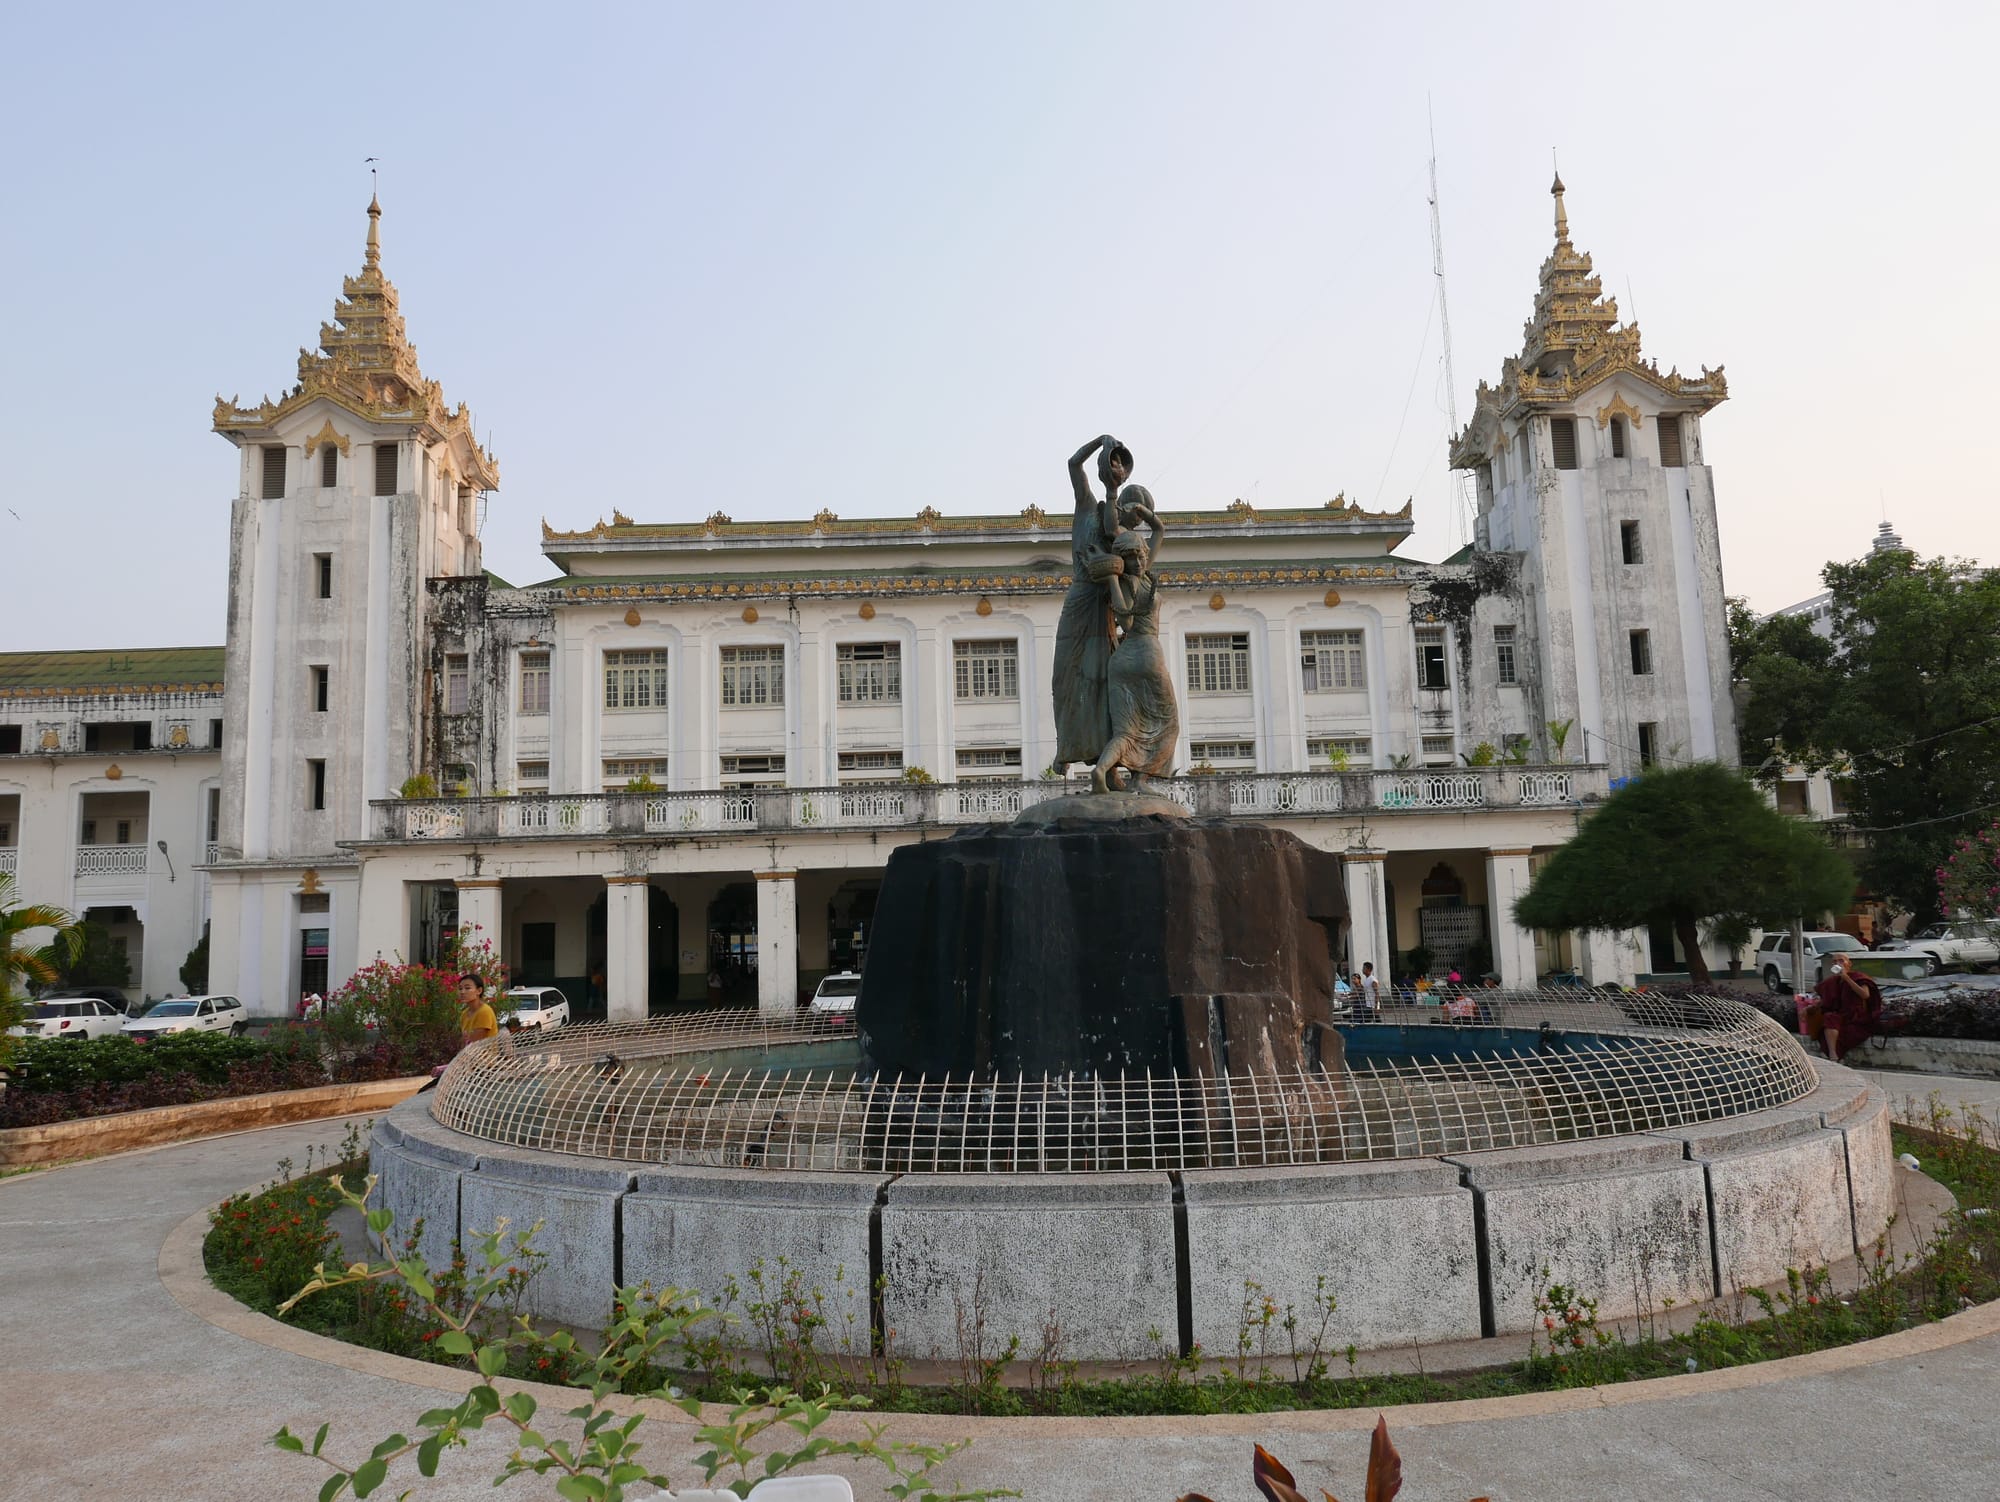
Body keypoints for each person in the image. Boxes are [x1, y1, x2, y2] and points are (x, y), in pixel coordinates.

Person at [1091, 501, 1179, 794]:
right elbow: (1126, 620)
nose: (1141, 561)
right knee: (1167, 723)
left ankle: (1102, 770)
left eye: (1142, 555)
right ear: (1127, 561)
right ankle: (1139, 781)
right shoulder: (1138, 579)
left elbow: (1122, 617)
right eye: (1136, 557)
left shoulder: (1127, 578)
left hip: (1121, 662)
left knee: (1126, 731)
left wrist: (1112, 579)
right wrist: (1145, 512)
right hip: (1148, 655)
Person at [1053, 434, 1129, 771]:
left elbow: (1115, 534)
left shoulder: (1118, 526)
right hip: (1079, 598)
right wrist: (1100, 443)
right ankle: (1065, 747)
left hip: (1102, 607)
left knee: (1100, 679)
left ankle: (1107, 765)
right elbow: (1073, 463)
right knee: (1065, 675)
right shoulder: (1085, 505)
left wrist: (1114, 486)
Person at [1815, 952, 1882, 1062]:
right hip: (1841, 1014)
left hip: (1857, 1015)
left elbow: (1865, 995)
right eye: (1835, 962)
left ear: (1849, 964)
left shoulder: (1858, 977)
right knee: (1829, 1017)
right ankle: (1833, 1054)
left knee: (1847, 1030)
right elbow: (1826, 1000)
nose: (1838, 963)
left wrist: (1846, 978)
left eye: (1841, 961)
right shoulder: (1833, 981)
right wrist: (1810, 1007)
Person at [458, 972, 497, 1045]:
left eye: (467, 988)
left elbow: (475, 1043)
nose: (462, 992)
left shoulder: (484, 1011)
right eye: (460, 988)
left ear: (479, 991)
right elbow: (463, 1044)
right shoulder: (464, 1014)